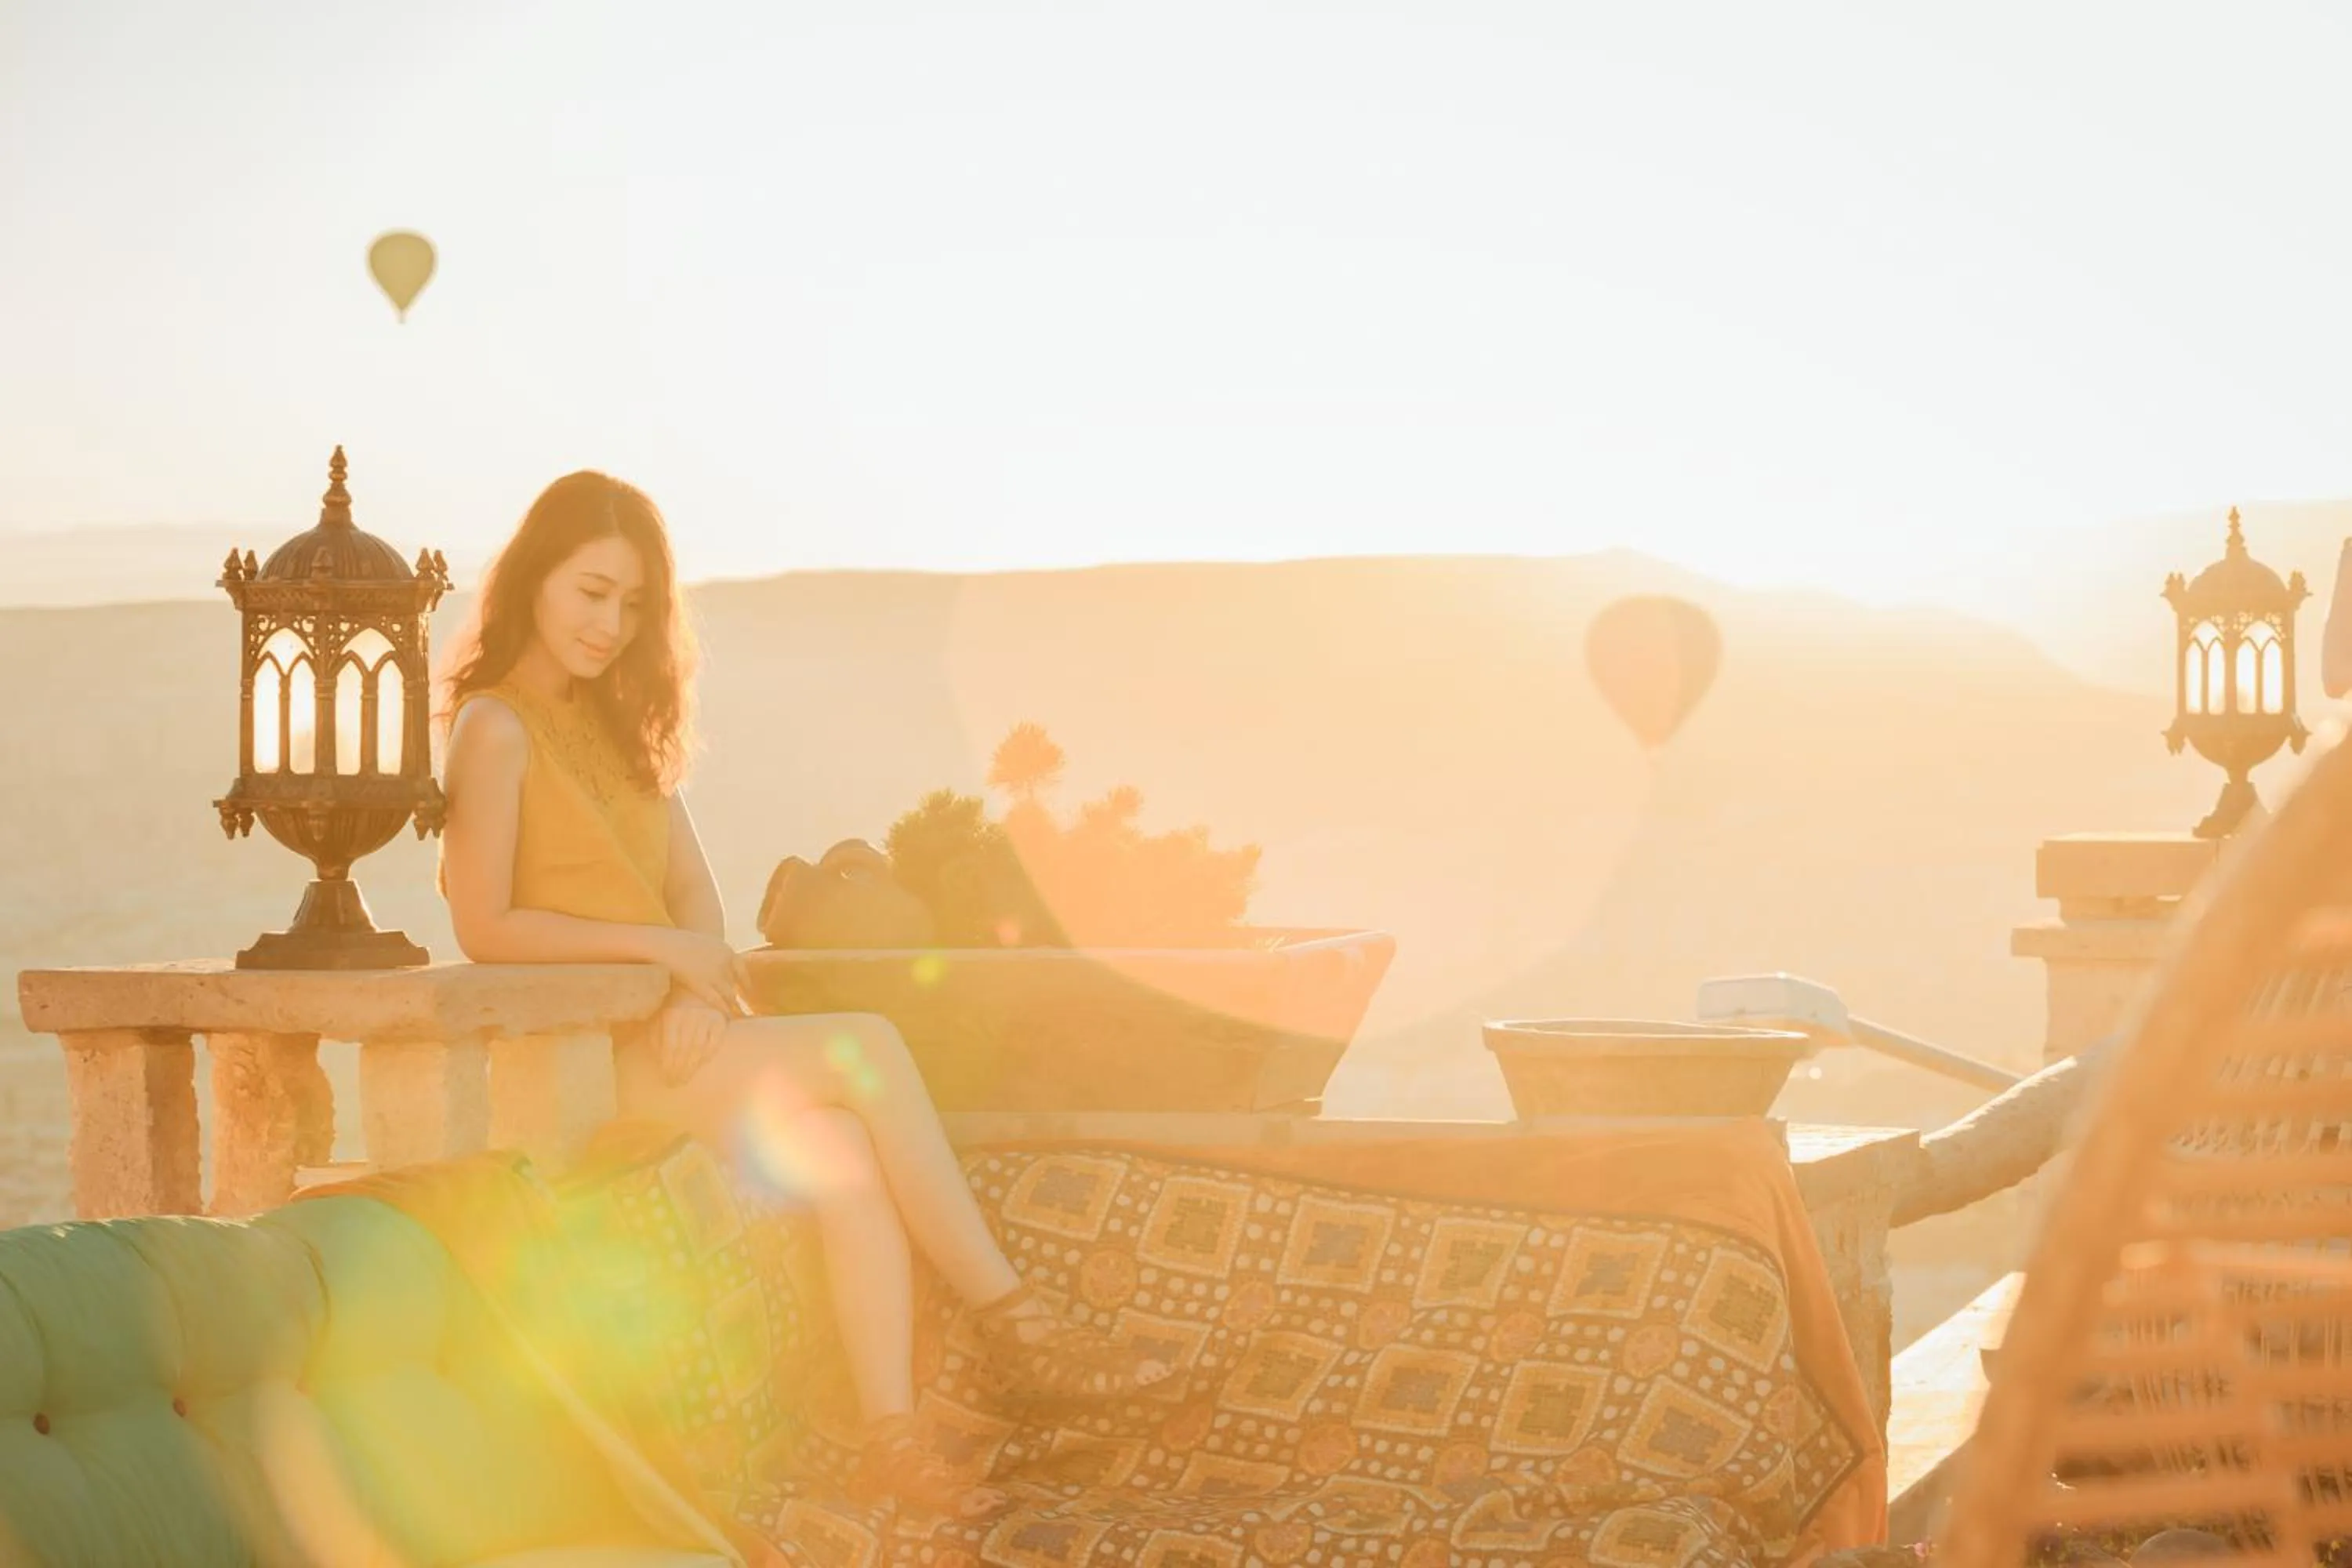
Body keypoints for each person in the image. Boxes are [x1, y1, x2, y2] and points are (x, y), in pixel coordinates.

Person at [434, 470, 1168, 1518]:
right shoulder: (492, 729)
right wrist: (666, 961)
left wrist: (692, 984)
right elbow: (482, 924)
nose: (609, 625)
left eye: (633, 605)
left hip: (673, 1038)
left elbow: (697, 894)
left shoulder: (620, 727)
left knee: (848, 1146)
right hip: (581, 1059)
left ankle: (892, 1439)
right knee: (861, 1045)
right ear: (534, 580)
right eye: (591, 592)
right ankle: (1021, 1328)